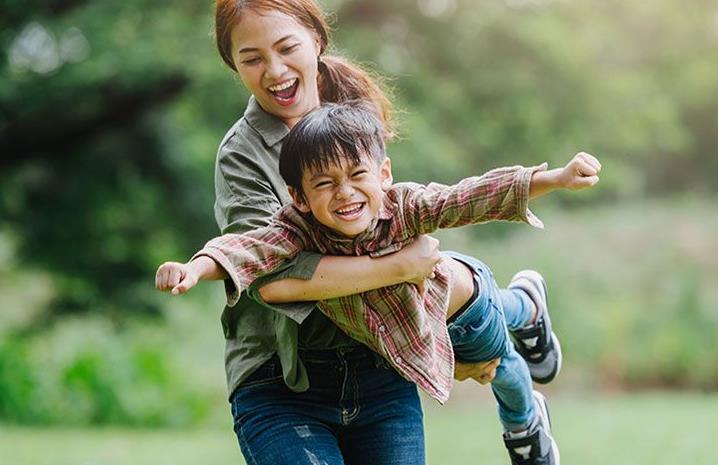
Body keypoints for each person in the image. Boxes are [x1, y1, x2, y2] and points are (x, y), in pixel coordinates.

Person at [156, 102, 602, 465]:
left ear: (384, 174)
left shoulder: (405, 206)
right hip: (385, 345)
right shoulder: (296, 229)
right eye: (325, 184)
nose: (345, 193)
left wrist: (555, 178)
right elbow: (249, 249)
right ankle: (524, 308)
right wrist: (195, 268)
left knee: (494, 357)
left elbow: (468, 197)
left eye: (357, 176)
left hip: (454, 308)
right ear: (299, 197)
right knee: (494, 351)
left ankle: (525, 349)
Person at [189, 1, 498, 464]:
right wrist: (397, 268)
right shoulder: (242, 155)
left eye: (286, 47)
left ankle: (518, 323)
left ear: (316, 40)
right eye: (252, 58)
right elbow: (270, 276)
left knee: (471, 299)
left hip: (375, 365)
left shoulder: (352, 115)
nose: (274, 71)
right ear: (233, 64)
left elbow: (400, 215)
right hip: (283, 377)